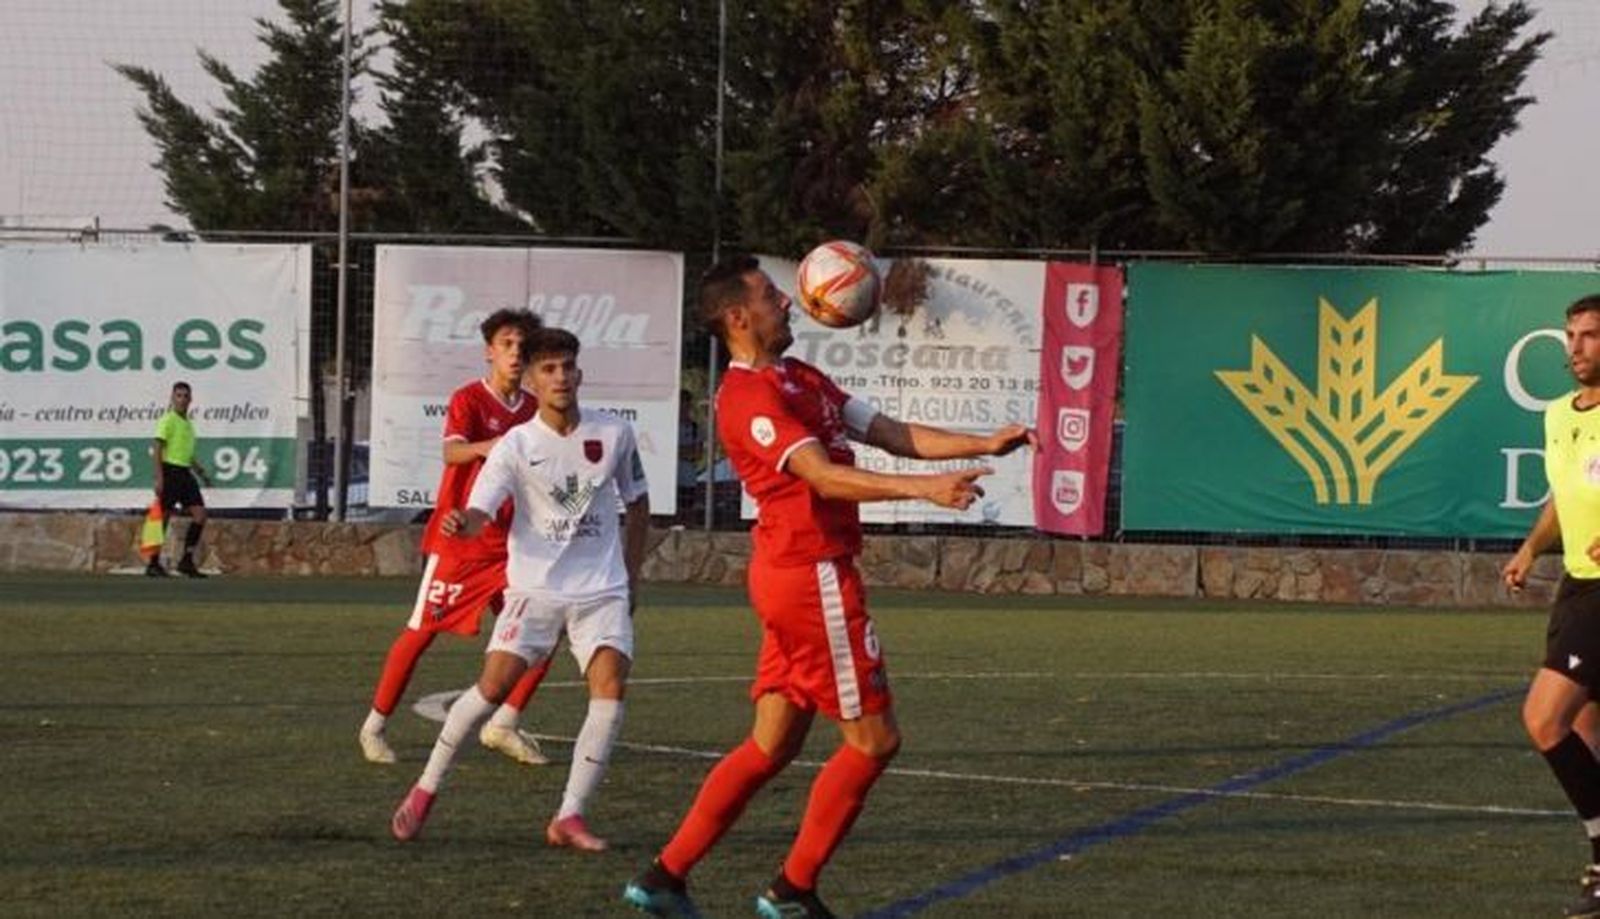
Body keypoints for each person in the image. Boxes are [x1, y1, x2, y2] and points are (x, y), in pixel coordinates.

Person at [623, 255, 1036, 919]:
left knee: (772, 743)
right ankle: (791, 890)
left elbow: (886, 430)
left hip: (795, 573)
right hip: (810, 577)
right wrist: (926, 489)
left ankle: (664, 876)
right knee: (875, 740)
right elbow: (821, 475)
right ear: (737, 317)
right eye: (769, 295)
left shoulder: (796, 376)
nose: (788, 301)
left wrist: (981, 444)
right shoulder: (749, 397)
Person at [391, 325, 650, 852]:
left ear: (580, 373)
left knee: (610, 689)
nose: (561, 377)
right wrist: (458, 522)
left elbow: (639, 503)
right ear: (531, 379)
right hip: (533, 590)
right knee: (489, 692)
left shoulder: (615, 434)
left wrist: (631, 573)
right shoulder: (515, 444)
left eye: (568, 367)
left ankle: (569, 815)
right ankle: (426, 787)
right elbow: (481, 512)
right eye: (549, 369)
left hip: (602, 590)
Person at [358, 308, 553, 767]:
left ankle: (503, 724)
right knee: (421, 633)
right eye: (507, 344)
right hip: (461, 543)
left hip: (511, 549)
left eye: (522, 345)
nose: (515, 352)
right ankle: (373, 726)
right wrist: (493, 448)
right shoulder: (469, 399)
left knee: (539, 636)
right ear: (490, 351)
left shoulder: (532, 410)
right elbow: (452, 451)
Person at [1506, 293, 1600, 919]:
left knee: (1544, 720)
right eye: (1571, 335)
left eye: (1590, 336)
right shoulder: (1559, 416)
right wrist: (1531, 548)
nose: (1576, 348)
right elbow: (1564, 499)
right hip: (1576, 583)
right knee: (1589, 731)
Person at [149, 381, 211, 578]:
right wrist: (159, 477)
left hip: (185, 473)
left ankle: (186, 561)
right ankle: (153, 563)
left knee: (200, 514)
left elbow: (185, 452)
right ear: (172, 398)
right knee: (163, 518)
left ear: (190, 399)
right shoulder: (167, 420)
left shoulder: (188, 424)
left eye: (185, 396)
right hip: (170, 472)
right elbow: (158, 449)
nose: (182, 399)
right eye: (178, 395)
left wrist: (200, 471)